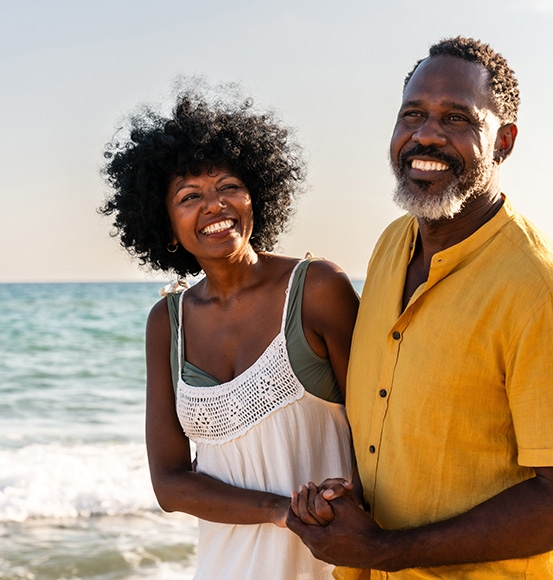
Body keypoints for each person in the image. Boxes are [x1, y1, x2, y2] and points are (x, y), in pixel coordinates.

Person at [286, 36, 553, 580]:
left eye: (458, 119)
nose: (426, 135)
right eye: (412, 114)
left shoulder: (548, 295)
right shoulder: (393, 244)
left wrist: (385, 550)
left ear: (504, 142)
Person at [100, 86, 359, 580]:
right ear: (167, 225)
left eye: (229, 186)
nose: (215, 205)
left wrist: (360, 525)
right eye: (189, 197)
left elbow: (380, 436)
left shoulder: (317, 288)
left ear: (255, 194)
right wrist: (280, 509)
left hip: (330, 567)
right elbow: (171, 484)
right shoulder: (167, 324)